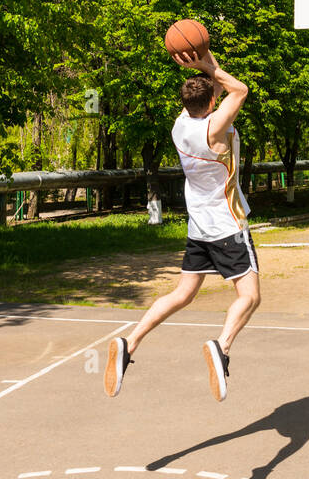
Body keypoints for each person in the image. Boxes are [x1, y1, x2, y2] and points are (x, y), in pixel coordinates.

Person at [104, 47, 258, 402]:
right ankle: (222, 346)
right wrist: (205, 64)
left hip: (197, 227)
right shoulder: (215, 128)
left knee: (183, 294)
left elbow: (217, 89)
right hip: (227, 225)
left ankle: (130, 343)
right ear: (211, 104)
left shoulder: (180, 125)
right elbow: (240, 90)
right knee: (249, 296)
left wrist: (205, 61)